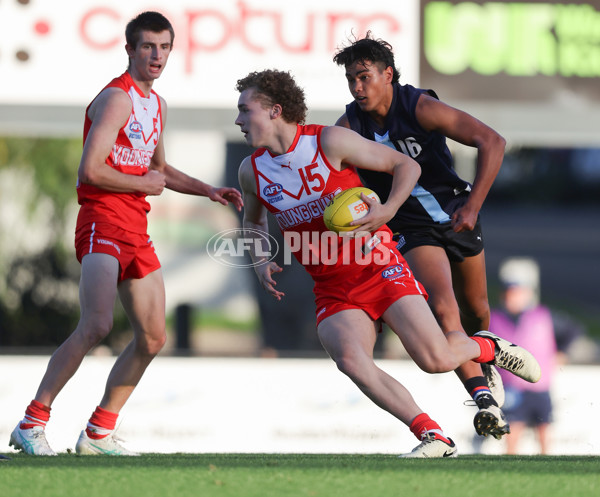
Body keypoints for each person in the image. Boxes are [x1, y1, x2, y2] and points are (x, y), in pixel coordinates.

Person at [234, 68, 540, 458]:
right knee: (352, 360)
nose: (239, 120)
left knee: (436, 360)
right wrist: (260, 260)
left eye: (245, 110)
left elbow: (406, 166)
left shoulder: (329, 140)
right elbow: (254, 219)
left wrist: (387, 211)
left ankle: (484, 346)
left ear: (275, 110)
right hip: (332, 285)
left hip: (378, 266)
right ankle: (434, 437)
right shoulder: (252, 170)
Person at [9, 11, 243, 457]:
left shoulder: (157, 104)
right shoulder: (117, 99)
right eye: (148, 46)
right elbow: (91, 170)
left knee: (154, 337)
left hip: (135, 225)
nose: (157, 56)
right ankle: (31, 422)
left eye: (164, 47)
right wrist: (142, 184)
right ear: (130, 50)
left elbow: (158, 170)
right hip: (102, 219)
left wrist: (207, 189)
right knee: (95, 324)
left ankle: (98, 432)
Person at [333, 33, 508, 439]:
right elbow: (330, 175)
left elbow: (493, 141)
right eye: (351, 80)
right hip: (409, 227)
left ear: (387, 75)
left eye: (364, 77)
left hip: (455, 214)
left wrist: (473, 206)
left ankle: (487, 362)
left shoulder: (420, 107)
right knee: (444, 306)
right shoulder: (349, 126)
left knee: (477, 310)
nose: (357, 87)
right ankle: (484, 401)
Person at [490, 257, 557, 454]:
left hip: (540, 385)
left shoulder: (542, 315)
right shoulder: (496, 318)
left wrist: (561, 353)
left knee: (544, 429)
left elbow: (570, 333)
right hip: (513, 385)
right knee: (513, 429)